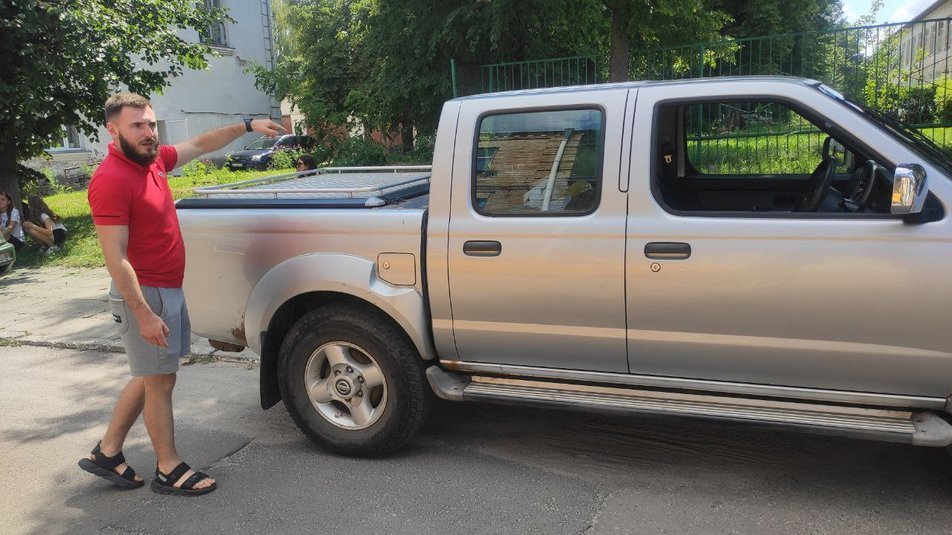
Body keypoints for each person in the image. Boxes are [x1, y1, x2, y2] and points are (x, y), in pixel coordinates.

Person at [79, 92, 284, 496]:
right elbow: (116, 258)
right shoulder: (111, 179)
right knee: (161, 381)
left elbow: (202, 143)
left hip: (166, 289)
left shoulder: (153, 160)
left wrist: (246, 125)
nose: (148, 132)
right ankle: (168, 468)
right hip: (145, 294)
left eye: (150, 124)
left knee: (151, 374)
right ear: (112, 129)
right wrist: (143, 313)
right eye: (137, 125)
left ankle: (108, 452)